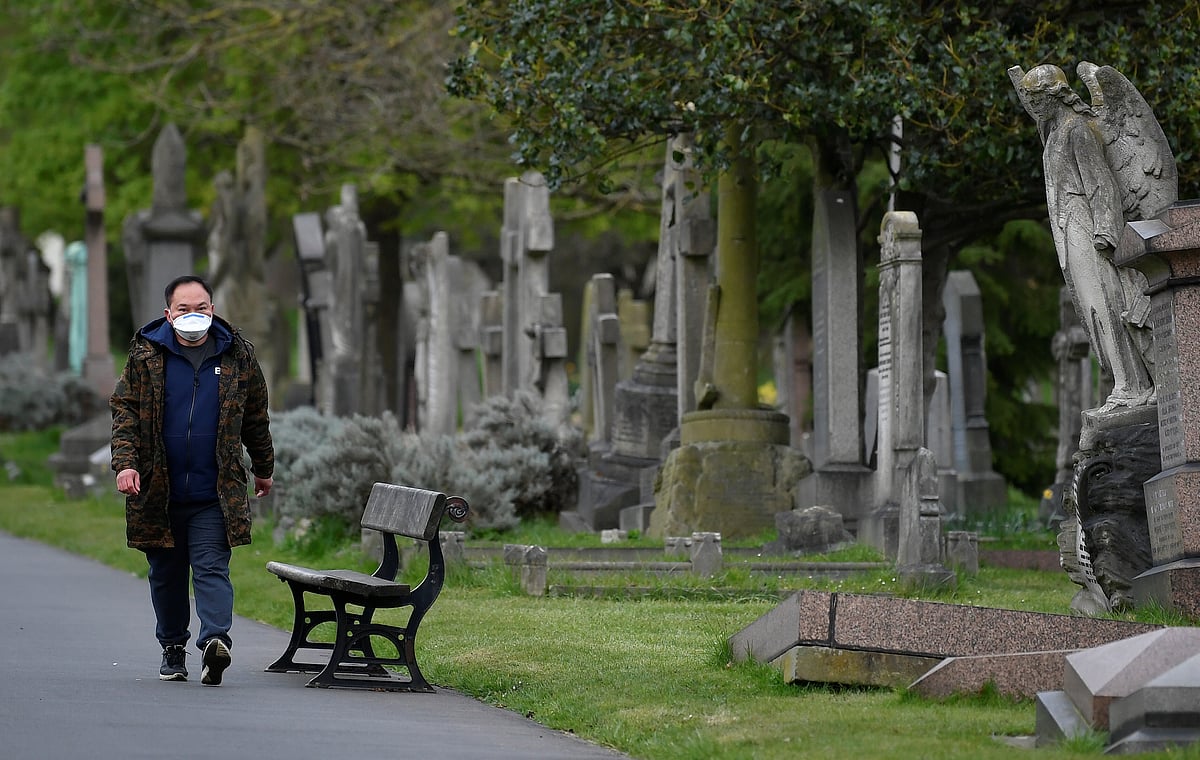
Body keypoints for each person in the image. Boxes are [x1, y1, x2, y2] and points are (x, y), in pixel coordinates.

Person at [110, 275, 274, 686]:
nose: (193, 315)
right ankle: (173, 648)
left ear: (212, 309)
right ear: (169, 314)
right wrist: (126, 464)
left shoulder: (237, 357)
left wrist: (264, 467)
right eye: (183, 309)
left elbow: (255, 416)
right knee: (166, 574)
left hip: (213, 492)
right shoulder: (146, 356)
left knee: (211, 567)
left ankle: (215, 640)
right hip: (157, 491)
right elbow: (125, 411)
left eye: (200, 307)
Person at [1013, 64, 1155, 412]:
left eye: (1036, 98)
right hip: (1070, 228)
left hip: (1088, 228)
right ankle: (1124, 384)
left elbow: (1101, 183)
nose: (1032, 105)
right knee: (1092, 310)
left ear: (1055, 95)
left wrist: (1105, 232)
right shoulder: (1056, 133)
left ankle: (1133, 386)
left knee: (1107, 306)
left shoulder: (1078, 131)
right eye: (1028, 98)